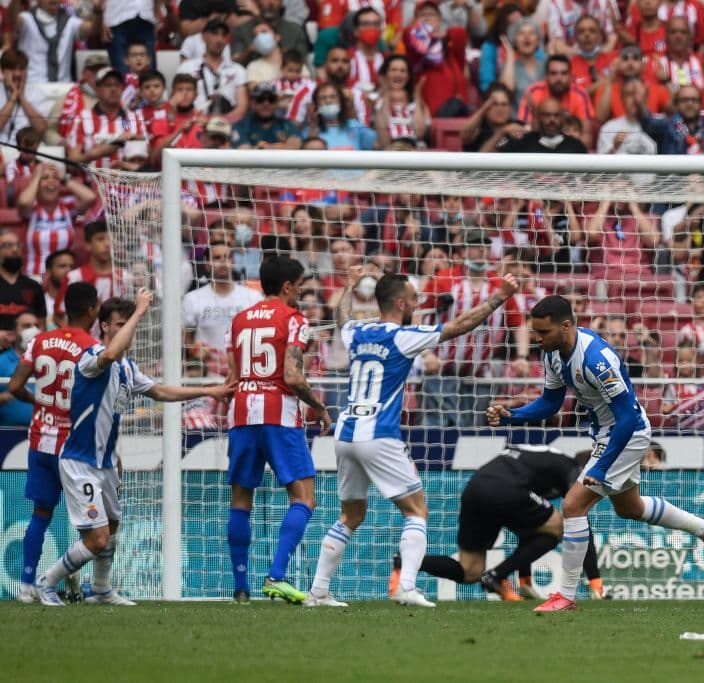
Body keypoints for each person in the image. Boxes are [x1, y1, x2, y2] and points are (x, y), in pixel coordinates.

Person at [487, 295, 704, 612]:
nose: (538, 338)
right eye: (536, 332)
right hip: (606, 432)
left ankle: (566, 595)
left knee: (573, 505)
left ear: (567, 326)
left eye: (543, 332)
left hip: (627, 432)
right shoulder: (553, 354)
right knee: (630, 508)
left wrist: (601, 466)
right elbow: (550, 403)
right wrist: (513, 416)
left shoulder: (596, 359)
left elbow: (627, 416)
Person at [304, 268, 519, 608]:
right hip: (379, 434)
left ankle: (317, 591)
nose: (419, 304)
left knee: (351, 515)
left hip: (345, 432)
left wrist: (346, 287)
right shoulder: (403, 336)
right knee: (416, 511)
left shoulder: (359, 331)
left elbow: (342, 317)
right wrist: (500, 297)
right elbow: (459, 327)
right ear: (400, 303)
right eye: (415, 299)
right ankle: (405, 587)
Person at [32, 290, 234, 606]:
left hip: (107, 462)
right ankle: (47, 581)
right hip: (79, 461)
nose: (126, 328)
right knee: (96, 538)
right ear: (103, 326)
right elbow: (109, 355)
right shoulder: (91, 358)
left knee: (111, 527)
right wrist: (140, 311)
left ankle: (100, 590)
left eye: (128, 323)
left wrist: (214, 390)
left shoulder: (128, 368)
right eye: (120, 323)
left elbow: (162, 391)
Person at [224, 256, 332, 604]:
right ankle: (276, 576)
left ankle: (240, 586)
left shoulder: (238, 320)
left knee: (241, 501)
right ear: (287, 286)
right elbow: (291, 376)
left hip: (240, 412)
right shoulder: (295, 319)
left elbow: (232, 376)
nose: (302, 291)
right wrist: (317, 405)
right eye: (300, 285)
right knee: (304, 497)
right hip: (279, 415)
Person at [404, 444, 601, 602]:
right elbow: (578, 522)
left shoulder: (545, 465)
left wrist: (525, 580)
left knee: (470, 570)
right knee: (560, 526)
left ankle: (407, 561)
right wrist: (594, 580)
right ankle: (497, 576)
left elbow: (528, 530)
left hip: (475, 488)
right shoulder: (572, 470)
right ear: (586, 468)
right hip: (505, 488)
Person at [10, 283, 99, 602]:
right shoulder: (91, 347)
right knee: (90, 523)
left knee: (40, 514)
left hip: (40, 440)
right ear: (92, 310)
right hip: (72, 447)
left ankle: (26, 585)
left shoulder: (40, 341)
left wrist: (38, 402)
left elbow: (17, 385)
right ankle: (77, 580)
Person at [183, 242, 262, 376]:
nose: (223, 262)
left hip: (245, 371)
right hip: (207, 374)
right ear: (207, 264)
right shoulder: (192, 298)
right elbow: (185, 337)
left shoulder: (253, 297)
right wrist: (196, 350)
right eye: (217, 258)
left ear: (233, 261)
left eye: (227, 257)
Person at [0, 230, 46, 334]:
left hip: (26, 348)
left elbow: (42, 326)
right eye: (8, 245)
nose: (15, 249)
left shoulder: (34, 286)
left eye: (18, 245)